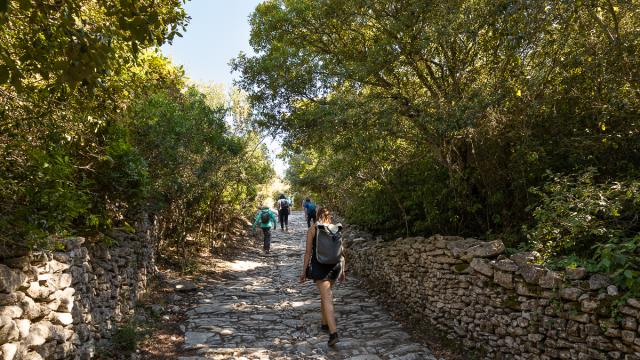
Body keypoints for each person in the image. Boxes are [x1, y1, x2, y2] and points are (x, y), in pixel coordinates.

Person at [299, 207, 346, 347]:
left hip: (320, 267)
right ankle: (325, 323)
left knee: (327, 298)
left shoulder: (313, 229)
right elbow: (342, 252)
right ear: (329, 216)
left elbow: (308, 253)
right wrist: (343, 271)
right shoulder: (336, 228)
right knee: (325, 296)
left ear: (317, 216)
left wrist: (304, 272)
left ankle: (333, 333)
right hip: (335, 266)